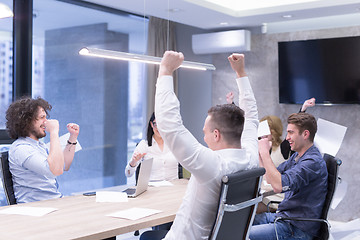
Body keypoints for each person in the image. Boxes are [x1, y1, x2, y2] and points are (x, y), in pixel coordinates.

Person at [140, 51, 258, 240]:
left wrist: (166, 70)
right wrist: (241, 73)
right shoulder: (251, 159)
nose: (204, 137)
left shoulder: (212, 165)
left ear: (216, 134)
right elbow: (251, 118)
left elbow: (170, 126)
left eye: (205, 132)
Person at [250, 112, 328, 240]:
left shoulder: (312, 162)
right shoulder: (297, 157)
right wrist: (261, 154)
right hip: (285, 218)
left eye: (291, 132)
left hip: (296, 228)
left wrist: (265, 153)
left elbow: (278, 186)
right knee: (243, 222)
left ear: (305, 134)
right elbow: (271, 178)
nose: (287, 138)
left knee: (242, 234)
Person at [5, 97, 80, 203]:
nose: (46, 122)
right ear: (27, 121)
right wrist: (54, 132)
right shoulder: (21, 149)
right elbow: (55, 170)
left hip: (53, 201)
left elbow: (63, 165)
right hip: (35, 207)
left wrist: (73, 137)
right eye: (42, 117)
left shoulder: (39, 145)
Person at [125, 112, 179, 182]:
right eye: (156, 124)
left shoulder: (174, 144)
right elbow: (128, 174)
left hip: (174, 188)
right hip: (153, 189)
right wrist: (134, 161)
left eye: (162, 124)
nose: (159, 128)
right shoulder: (144, 145)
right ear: (151, 124)